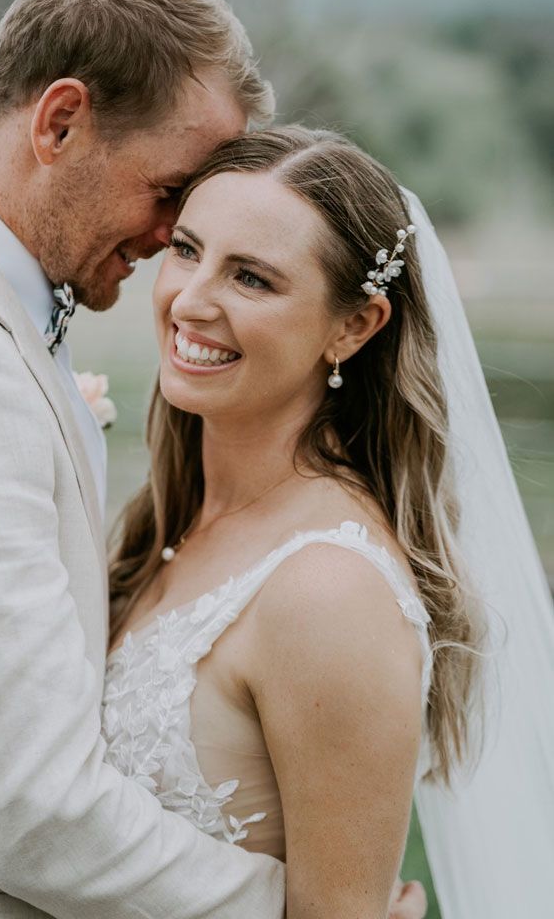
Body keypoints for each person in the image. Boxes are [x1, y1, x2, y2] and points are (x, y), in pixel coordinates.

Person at [0, 0, 426, 919]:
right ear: (59, 121)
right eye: (169, 201)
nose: (168, 256)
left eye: (250, 270)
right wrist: (305, 907)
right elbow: (29, 802)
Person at [106, 126, 554, 919]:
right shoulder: (173, 519)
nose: (190, 298)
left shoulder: (327, 589)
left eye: (250, 278)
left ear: (354, 327)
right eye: (185, 249)